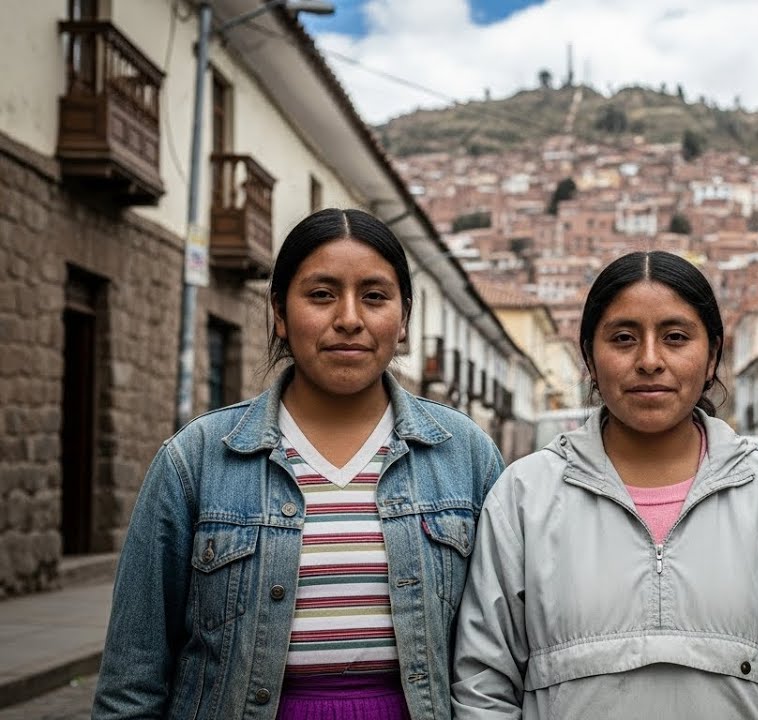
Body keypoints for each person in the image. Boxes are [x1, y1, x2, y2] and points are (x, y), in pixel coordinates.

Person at [92, 209, 504, 720]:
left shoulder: (466, 456)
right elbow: (131, 679)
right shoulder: (195, 459)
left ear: (403, 320)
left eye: (375, 297)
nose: (349, 318)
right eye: (321, 294)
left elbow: (498, 660)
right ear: (280, 314)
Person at [450, 250, 758, 719]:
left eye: (675, 337)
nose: (650, 361)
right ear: (589, 357)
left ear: (712, 356)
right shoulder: (523, 496)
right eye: (623, 338)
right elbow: (483, 687)